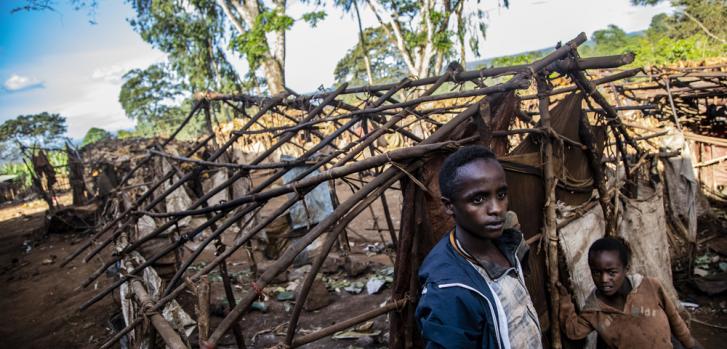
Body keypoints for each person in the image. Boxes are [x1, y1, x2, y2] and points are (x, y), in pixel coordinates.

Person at [416, 145, 542, 349]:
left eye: (501, 195)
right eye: (478, 199)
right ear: (449, 206)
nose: (497, 209)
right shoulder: (449, 291)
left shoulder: (506, 242)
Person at [558, 237, 700, 349]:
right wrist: (565, 301)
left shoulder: (650, 286)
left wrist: (690, 343)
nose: (604, 279)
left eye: (612, 272)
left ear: (626, 268)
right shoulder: (594, 310)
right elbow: (573, 331)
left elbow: (674, 318)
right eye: (596, 273)